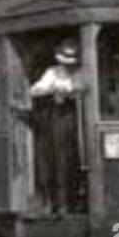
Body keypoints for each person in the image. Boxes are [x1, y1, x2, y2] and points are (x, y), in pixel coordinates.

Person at [27, 38, 87, 216]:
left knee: (75, 160)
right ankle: (59, 204)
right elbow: (34, 89)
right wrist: (52, 88)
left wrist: (72, 90)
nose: (68, 65)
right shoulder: (53, 71)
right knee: (59, 159)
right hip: (61, 118)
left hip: (81, 117)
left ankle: (74, 202)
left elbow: (83, 88)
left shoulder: (83, 71)